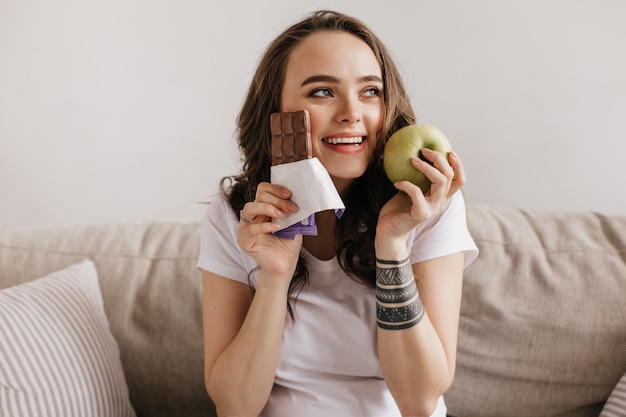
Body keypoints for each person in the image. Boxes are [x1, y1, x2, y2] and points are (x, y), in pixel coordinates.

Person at [197, 10, 478, 417]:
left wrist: (393, 244)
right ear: (276, 110)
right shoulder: (235, 218)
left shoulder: (429, 207)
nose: (351, 112)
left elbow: (419, 401)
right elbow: (235, 405)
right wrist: (275, 277)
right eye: (322, 92)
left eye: (370, 92)